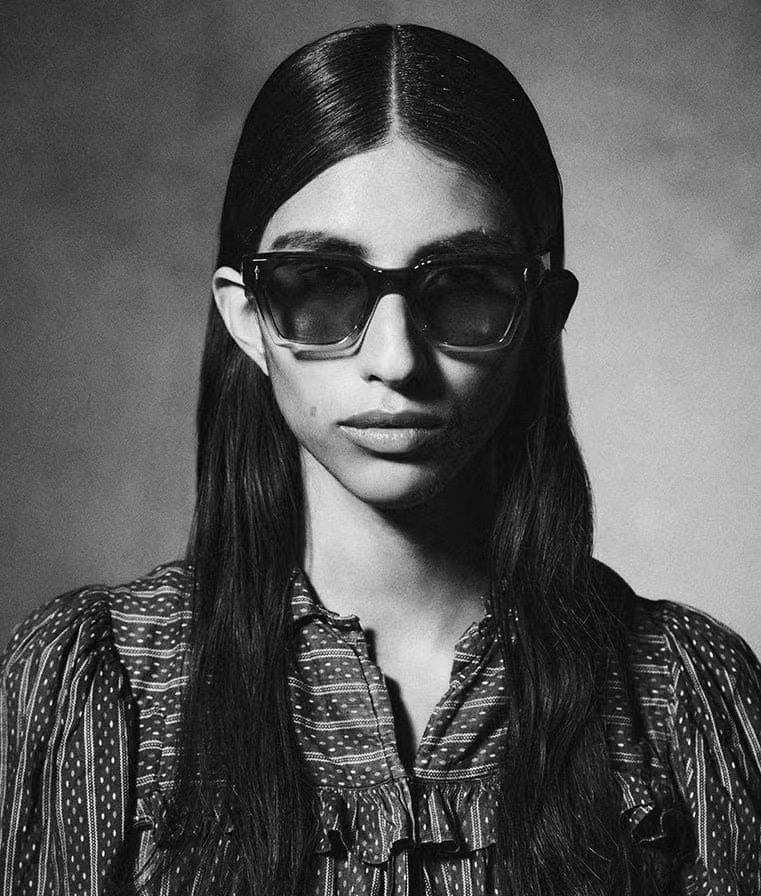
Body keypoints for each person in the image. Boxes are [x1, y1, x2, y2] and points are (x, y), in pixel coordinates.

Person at [1, 22, 759, 896]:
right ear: (246, 318)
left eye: (463, 285)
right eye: (323, 284)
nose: (395, 360)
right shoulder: (103, 685)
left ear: (541, 315)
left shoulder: (683, 695)